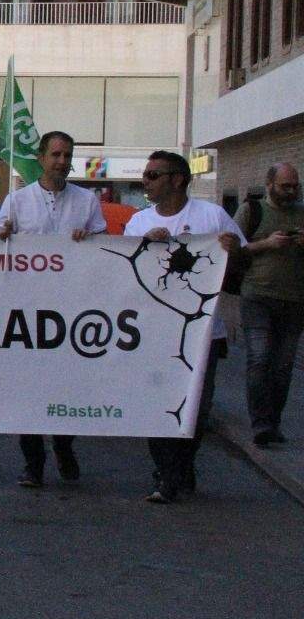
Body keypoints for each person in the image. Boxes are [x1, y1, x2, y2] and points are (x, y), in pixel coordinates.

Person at [125, 151, 245, 503]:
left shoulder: (212, 216)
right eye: (145, 175)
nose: (145, 181)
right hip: (154, 331)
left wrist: (232, 249)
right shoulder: (138, 223)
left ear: (177, 179)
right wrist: (145, 247)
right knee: (158, 403)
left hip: (204, 332)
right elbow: (125, 277)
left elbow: (241, 260)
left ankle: (182, 464)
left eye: (152, 175)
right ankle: (165, 473)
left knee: (197, 406)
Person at [0, 130, 106, 487]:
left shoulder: (87, 201)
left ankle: (63, 445)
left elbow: (105, 250)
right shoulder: (17, 201)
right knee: (27, 389)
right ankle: (33, 463)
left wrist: (91, 241)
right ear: (41, 158)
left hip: (71, 312)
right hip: (27, 312)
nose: (61, 161)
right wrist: (4, 234)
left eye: (67, 155)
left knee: (66, 386)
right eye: (55, 154)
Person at [234, 162, 303, 446]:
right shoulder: (252, 210)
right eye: (286, 186)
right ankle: (261, 424)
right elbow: (233, 249)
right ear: (270, 184)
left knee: (283, 366)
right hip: (257, 297)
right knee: (260, 359)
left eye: (295, 186)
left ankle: (273, 422)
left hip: (295, 299)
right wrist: (267, 244)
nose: (291, 191)